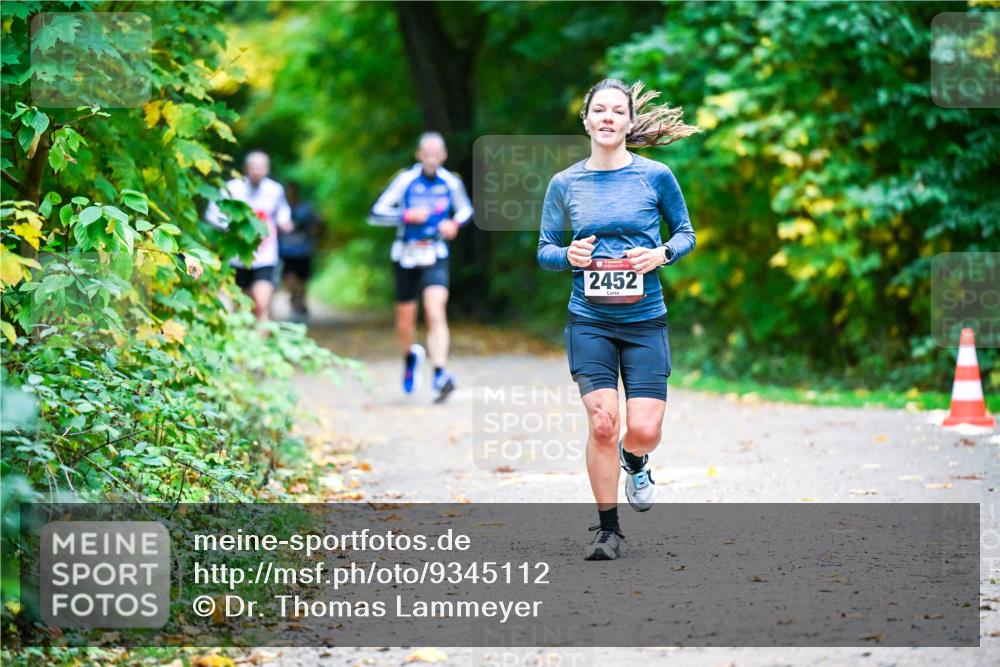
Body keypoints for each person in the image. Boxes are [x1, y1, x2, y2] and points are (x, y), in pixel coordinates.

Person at [537, 79, 699, 560]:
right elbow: (545, 250)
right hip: (589, 321)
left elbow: (686, 233)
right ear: (585, 120)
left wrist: (662, 254)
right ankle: (608, 529)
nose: (608, 118)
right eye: (599, 110)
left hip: (646, 319)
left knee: (643, 429)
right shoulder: (565, 183)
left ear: (629, 122)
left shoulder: (656, 176)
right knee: (603, 422)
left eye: (617, 111)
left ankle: (637, 458)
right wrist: (570, 254)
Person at [370, 132, 473, 403]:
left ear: (443, 156)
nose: (431, 159)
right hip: (405, 254)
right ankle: (410, 357)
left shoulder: (450, 182)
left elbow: (465, 210)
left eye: (436, 154)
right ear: (418, 155)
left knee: (435, 309)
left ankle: (439, 373)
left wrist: (454, 225)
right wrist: (405, 215)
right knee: (405, 320)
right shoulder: (405, 180)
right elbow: (376, 212)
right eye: (426, 154)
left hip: (435, 253)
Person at [206, 151, 292, 321]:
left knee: (261, 304)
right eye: (252, 167)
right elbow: (212, 214)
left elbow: (283, 212)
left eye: (260, 168)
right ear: (246, 169)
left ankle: (262, 343)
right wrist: (230, 227)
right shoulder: (231, 188)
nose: (256, 171)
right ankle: (243, 343)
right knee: (239, 305)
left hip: (264, 256)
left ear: (267, 169)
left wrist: (285, 223)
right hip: (236, 256)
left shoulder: (275, 190)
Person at [279, 181, 320, 322]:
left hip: (304, 251)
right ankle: (294, 301)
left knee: (302, 280)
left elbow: (317, 227)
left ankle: (300, 301)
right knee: (289, 278)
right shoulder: (281, 209)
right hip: (286, 251)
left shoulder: (306, 209)